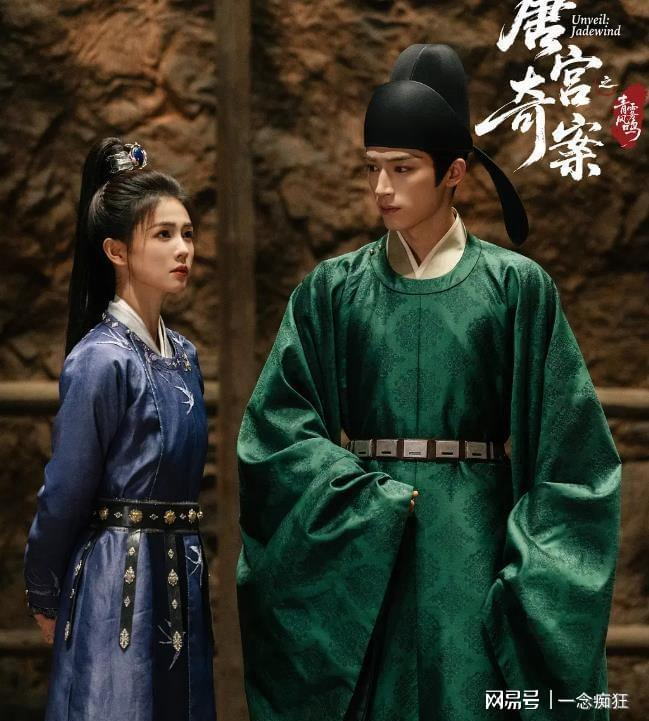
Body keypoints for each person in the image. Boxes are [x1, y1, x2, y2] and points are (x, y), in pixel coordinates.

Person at [236, 45, 621, 721]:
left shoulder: (514, 288)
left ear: (454, 173)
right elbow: (275, 432)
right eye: (372, 168)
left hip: (476, 551)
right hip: (367, 548)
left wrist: (524, 574)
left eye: (403, 168)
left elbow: (574, 458)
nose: (382, 188)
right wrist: (362, 497)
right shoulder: (333, 291)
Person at [24, 138, 216, 721]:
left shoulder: (183, 354)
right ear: (115, 250)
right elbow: (64, 491)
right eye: (163, 234)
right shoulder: (101, 359)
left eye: (187, 233)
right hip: (118, 580)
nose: (182, 248)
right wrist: (44, 589)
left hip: (179, 571)